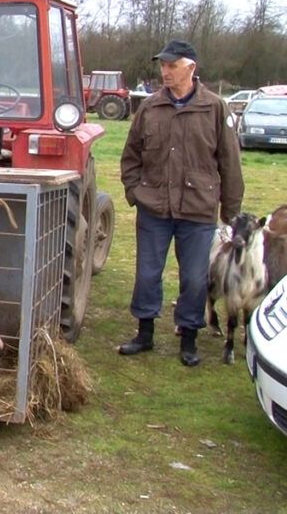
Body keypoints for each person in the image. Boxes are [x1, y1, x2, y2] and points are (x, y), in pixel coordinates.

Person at [118, 39, 244, 367]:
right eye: (163, 65)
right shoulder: (149, 107)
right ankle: (144, 334)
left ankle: (189, 337)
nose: (165, 71)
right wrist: (136, 192)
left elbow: (230, 163)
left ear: (191, 68)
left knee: (194, 278)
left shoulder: (215, 108)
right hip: (154, 208)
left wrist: (230, 215)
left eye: (172, 65)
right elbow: (130, 156)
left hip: (198, 211)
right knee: (147, 274)